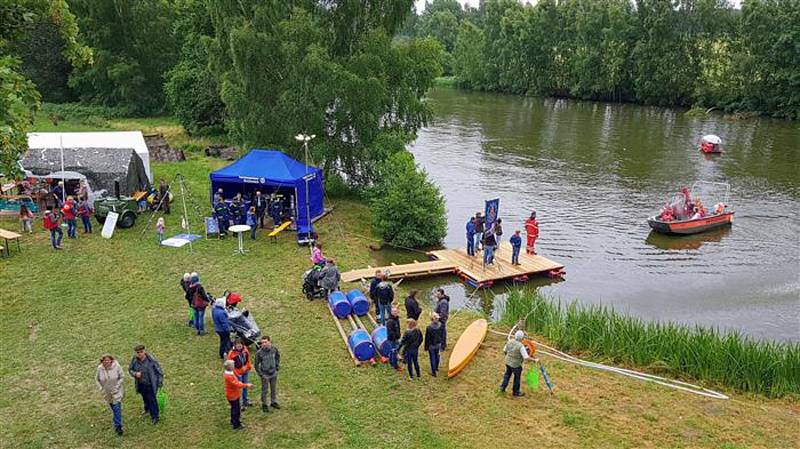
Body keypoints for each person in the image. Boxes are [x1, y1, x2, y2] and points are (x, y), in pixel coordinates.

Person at [128, 345, 163, 424]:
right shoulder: (134, 360)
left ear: (144, 351)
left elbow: (159, 370)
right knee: (145, 398)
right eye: (138, 352)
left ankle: (155, 416)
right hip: (141, 384)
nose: (140, 354)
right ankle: (147, 409)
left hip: (150, 384)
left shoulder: (151, 360)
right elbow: (130, 369)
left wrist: (160, 382)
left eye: (141, 352)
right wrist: (135, 374)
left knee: (152, 400)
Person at [96, 354, 125, 436]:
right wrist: (101, 388)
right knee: (113, 407)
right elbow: (97, 380)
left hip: (116, 391)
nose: (107, 362)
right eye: (105, 360)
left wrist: (117, 386)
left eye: (108, 360)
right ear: (102, 361)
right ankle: (117, 418)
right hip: (107, 392)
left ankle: (118, 426)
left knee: (116, 407)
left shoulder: (117, 367)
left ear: (111, 360)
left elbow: (122, 377)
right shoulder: (99, 369)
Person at [500, 330, 534, 397]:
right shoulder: (521, 346)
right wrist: (534, 360)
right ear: (522, 338)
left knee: (507, 374)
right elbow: (526, 358)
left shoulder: (509, 341)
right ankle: (516, 392)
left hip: (508, 362)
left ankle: (502, 387)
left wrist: (509, 356)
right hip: (516, 365)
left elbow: (504, 350)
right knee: (517, 378)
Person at [223, 359, 253, 430]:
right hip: (233, 396)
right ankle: (236, 424)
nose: (234, 366)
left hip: (233, 394)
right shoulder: (229, 376)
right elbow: (237, 384)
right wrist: (247, 385)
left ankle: (233, 420)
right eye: (233, 365)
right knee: (236, 409)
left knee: (234, 408)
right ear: (230, 367)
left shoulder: (229, 373)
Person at [254, 336, 281, 412]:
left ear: (269, 342)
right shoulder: (259, 353)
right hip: (265, 375)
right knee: (264, 390)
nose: (264, 344)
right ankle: (264, 404)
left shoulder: (274, 349)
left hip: (273, 373)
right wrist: (261, 374)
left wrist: (277, 366)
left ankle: (273, 402)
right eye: (262, 343)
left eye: (265, 342)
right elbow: (256, 365)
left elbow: (277, 356)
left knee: (273, 388)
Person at [228, 339, 253, 408]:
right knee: (238, 388)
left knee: (245, 386)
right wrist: (236, 373)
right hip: (237, 373)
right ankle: (239, 403)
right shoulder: (231, 353)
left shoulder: (245, 350)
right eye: (237, 344)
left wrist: (248, 367)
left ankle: (245, 400)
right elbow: (230, 366)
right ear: (234, 345)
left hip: (245, 372)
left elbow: (248, 359)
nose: (239, 345)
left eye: (240, 344)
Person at [424, 313, 444, 377]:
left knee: (432, 358)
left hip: (431, 345)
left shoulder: (429, 327)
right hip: (438, 344)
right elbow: (442, 335)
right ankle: (436, 368)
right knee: (437, 356)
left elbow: (427, 338)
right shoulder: (441, 325)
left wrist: (426, 347)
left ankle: (433, 372)